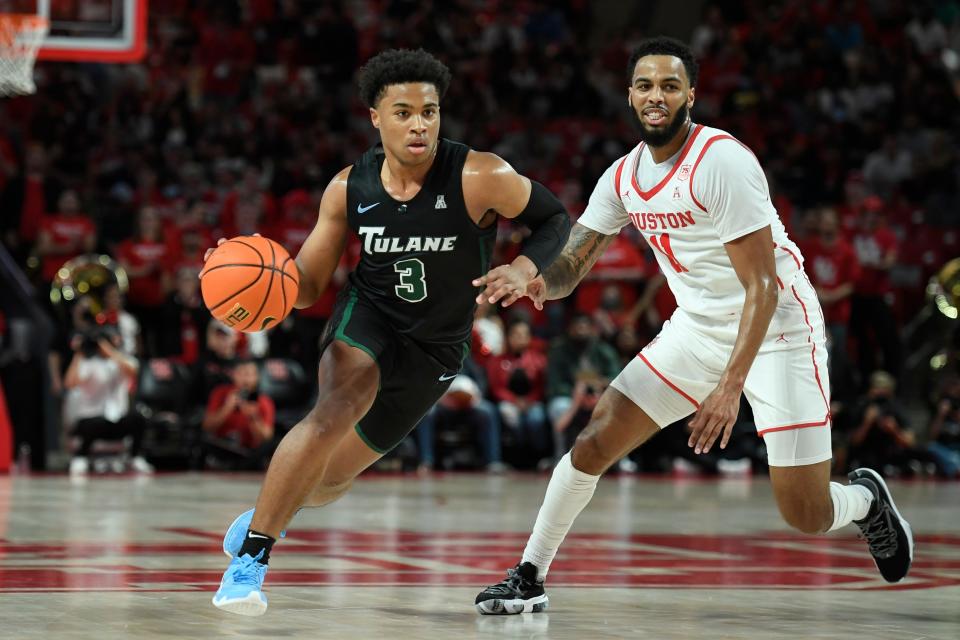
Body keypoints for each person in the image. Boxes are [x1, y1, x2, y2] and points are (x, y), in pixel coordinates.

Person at [473, 37, 913, 615]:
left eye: (670, 85)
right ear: (631, 95)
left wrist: (730, 389)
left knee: (804, 512)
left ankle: (865, 501)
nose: (657, 96)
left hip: (779, 329)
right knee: (594, 439)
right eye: (646, 85)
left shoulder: (722, 161)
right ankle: (530, 574)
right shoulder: (623, 175)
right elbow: (574, 263)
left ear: (690, 95)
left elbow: (762, 286)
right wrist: (534, 280)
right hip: (698, 329)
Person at [210, 48, 571, 615]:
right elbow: (304, 286)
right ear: (376, 117)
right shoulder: (347, 189)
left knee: (330, 481)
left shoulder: (481, 175)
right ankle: (251, 560)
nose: (419, 124)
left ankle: (269, 511)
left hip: (436, 346)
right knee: (332, 412)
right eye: (403, 112)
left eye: (429, 111)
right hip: (369, 318)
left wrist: (526, 268)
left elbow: (554, 219)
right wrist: (247, 274)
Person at [202, 358, 276, 470]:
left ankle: (237, 466)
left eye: (250, 374)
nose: (246, 379)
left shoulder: (264, 401)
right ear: (233, 375)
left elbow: (266, 438)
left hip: (248, 452)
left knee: (271, 446)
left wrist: (253, 417)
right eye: (241, 373)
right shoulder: (220, 393)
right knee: (201, 439)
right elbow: (207, 427)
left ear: (257, 377)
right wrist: (226, 408)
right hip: (224, 447)